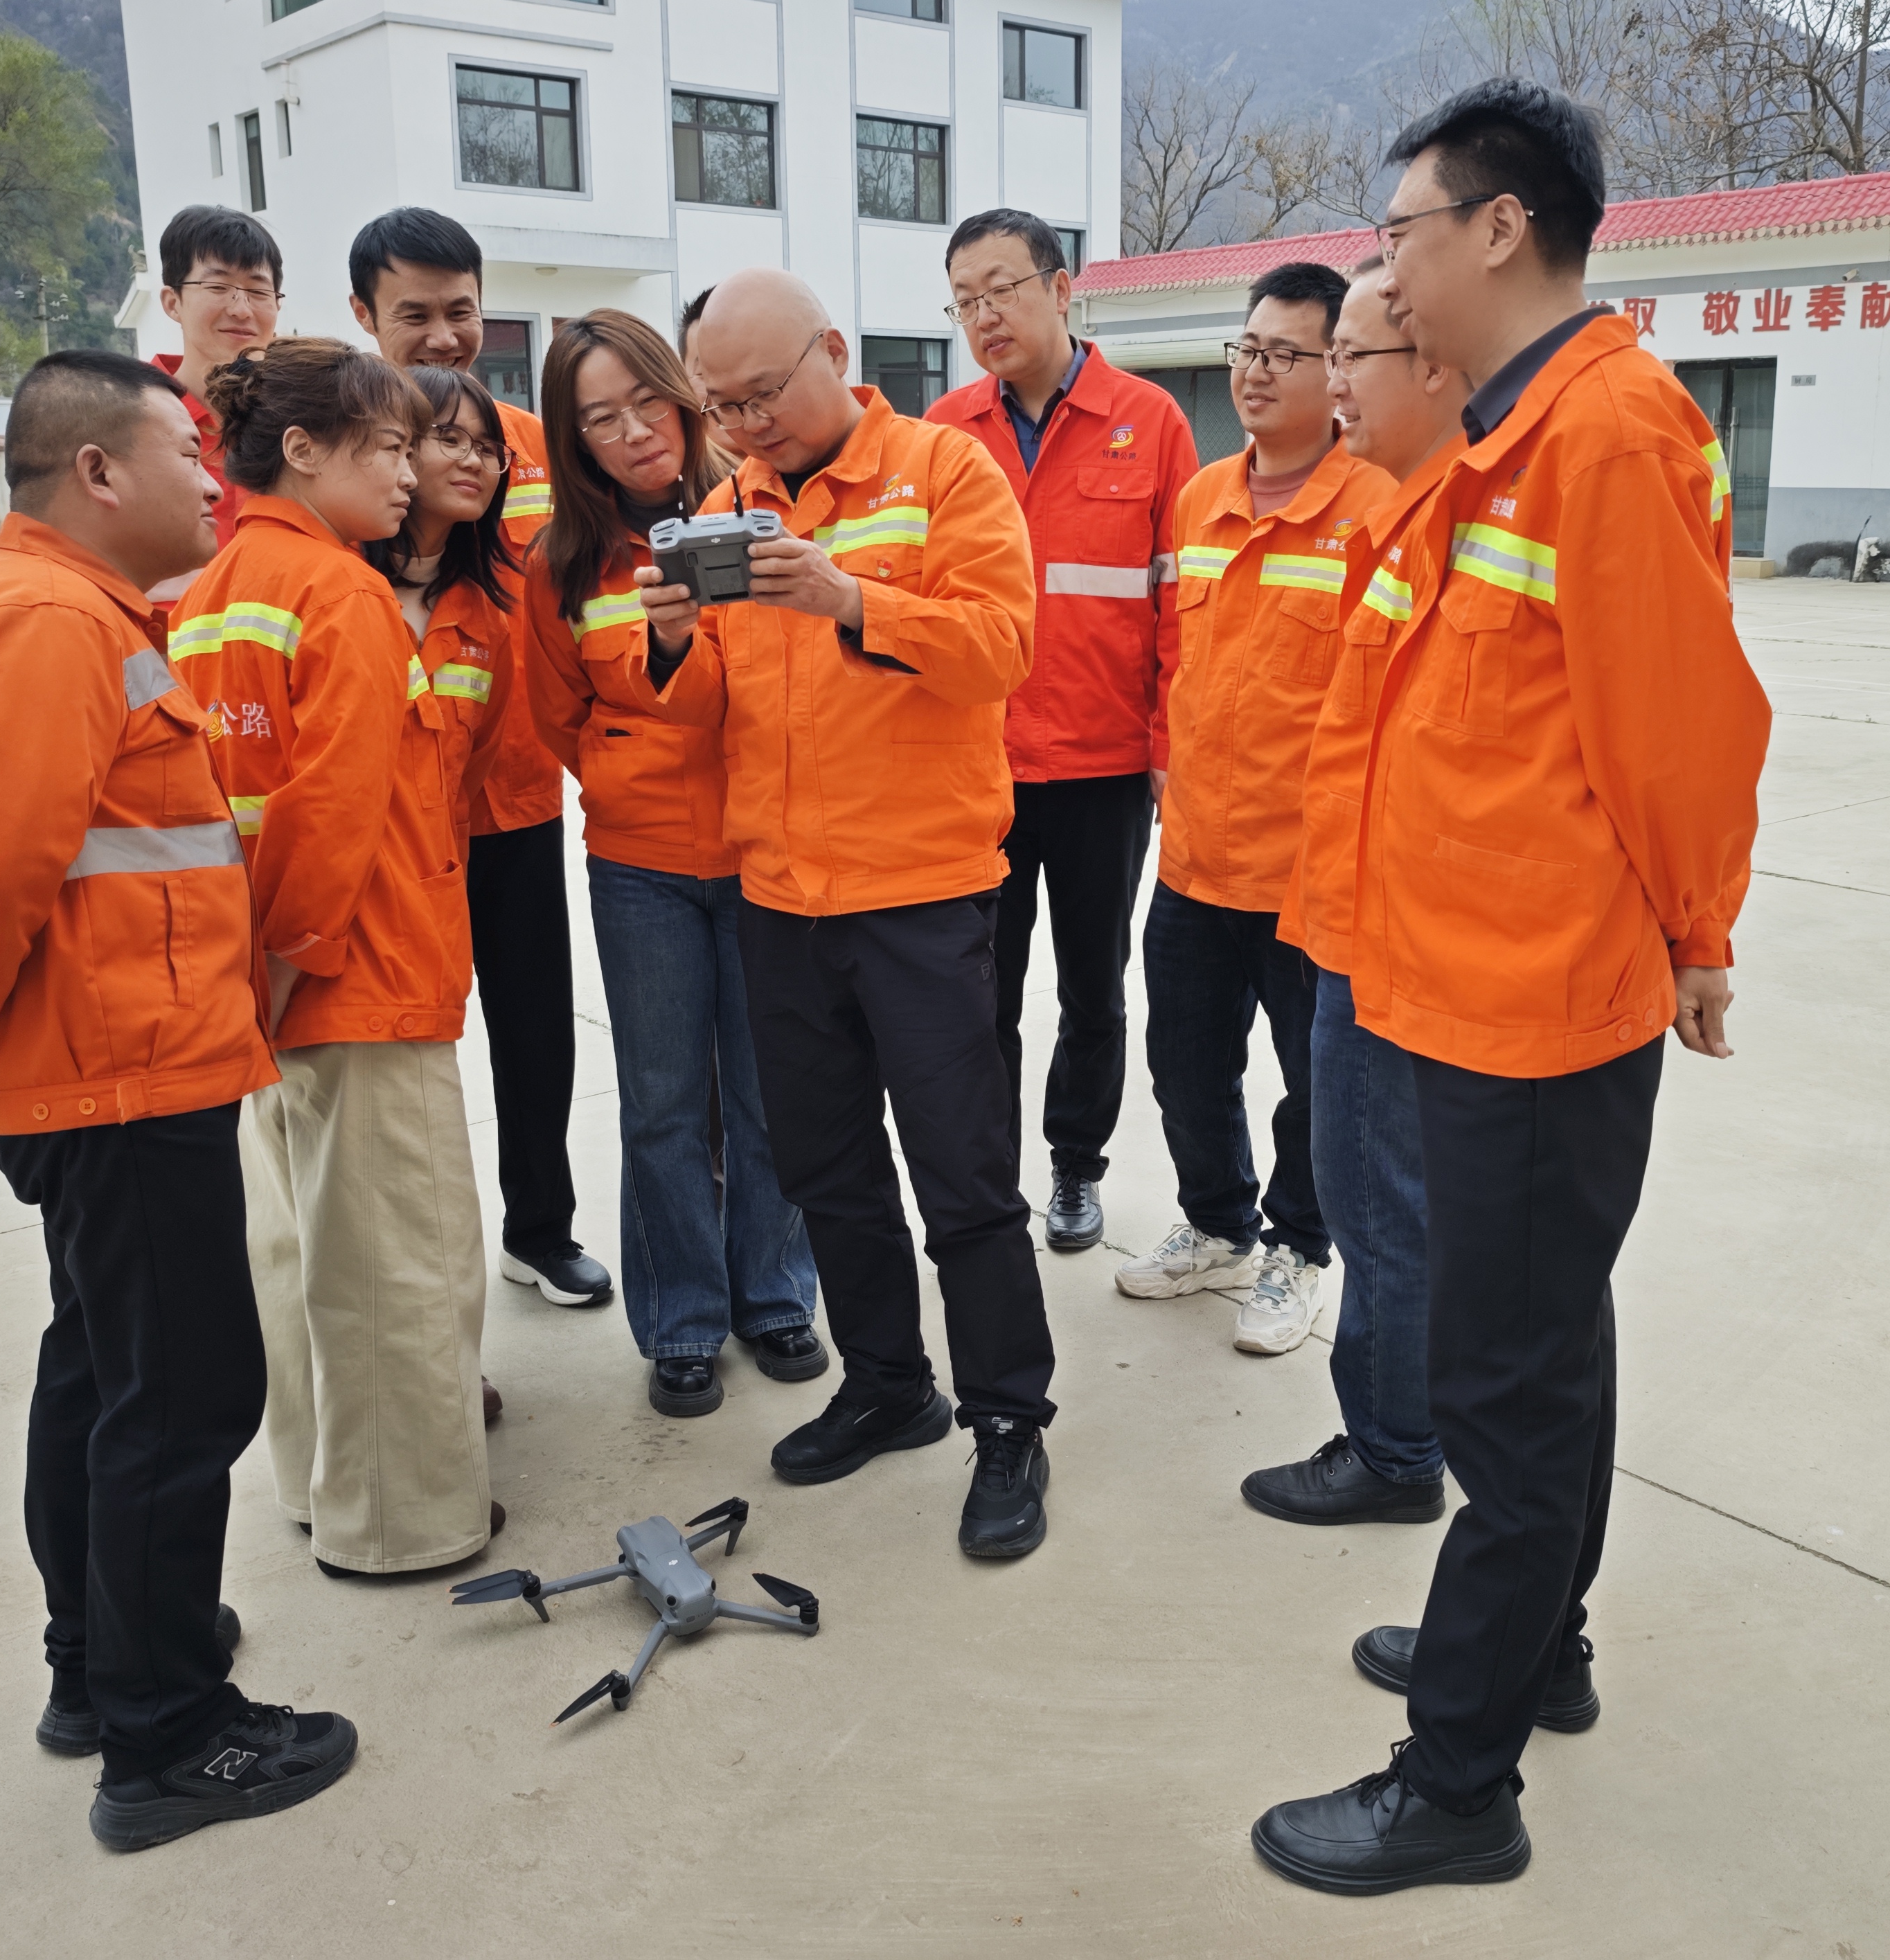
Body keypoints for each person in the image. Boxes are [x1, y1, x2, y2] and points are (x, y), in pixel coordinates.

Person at [1249, 82, 1772, 1895]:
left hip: (1536, 1006)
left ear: (1497, 227)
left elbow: (1682, 730)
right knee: (1545, 1350)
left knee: (1504, 1386)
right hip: (1457, 986)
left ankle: (1458, 1781)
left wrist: (1698, 931)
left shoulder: (1605, 436)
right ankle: (1537, 1648)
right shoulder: (1495, 440)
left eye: (1399, 233)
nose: (1383, 273)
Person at [0, 350, 356, 1853]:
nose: (213, 480)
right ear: (95, 471)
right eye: (184, 452)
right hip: (116, 1072)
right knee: (181, 1394)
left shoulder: (64, 609)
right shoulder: (50, 624)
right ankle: (167, 1739)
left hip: (108, 1060)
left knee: (100, 1371)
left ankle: (98, 1665)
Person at [596, 268, 1057, 1559]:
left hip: (921, 894)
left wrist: (850, 599)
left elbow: (1002, 648)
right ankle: (889, 1383)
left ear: (834, 353)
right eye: (723, 404)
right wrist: (671, 641)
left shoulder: (945, 472)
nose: (745, 424)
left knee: (964, 1178)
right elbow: (705, 706)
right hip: (780, 896)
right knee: (826, 1170)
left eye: (762, 394)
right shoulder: (725, 507)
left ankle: (1009, 1421)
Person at [168, 336, 508, 1580]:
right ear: (305, 452)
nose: (410, 474)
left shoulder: (210, 593)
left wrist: (255, 976)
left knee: (303, 1251)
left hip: (258, 980)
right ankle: (402, 1522)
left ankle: (322, 1482)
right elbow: (332, 813)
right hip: (358, 974)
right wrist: (295, 959)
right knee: (402, 1260)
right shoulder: (344, 596)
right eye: (387, 449)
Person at [523, 307, 821, 1418]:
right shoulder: (562, 564)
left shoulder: (760, 512)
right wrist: (626, 768)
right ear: (574, 441)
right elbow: (559, 716)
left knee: (769, 1093)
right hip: (641, 865)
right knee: (660, 1103)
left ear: (685, 396)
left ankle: (775, 1295)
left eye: (648, 401)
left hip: (762, 850)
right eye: (600, 420)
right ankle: (683, 1320)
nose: (634, 432)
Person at [1114, 262, 1392, 1357]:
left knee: (1312, 1084)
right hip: (1195, 854)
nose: (1256, 373)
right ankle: (1218, 1223)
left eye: (1286, 354)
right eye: (1248, 349)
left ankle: (1300, 1247)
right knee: (1185, 1063)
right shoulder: (1202, 499)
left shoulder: (1375, 505)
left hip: (1310, 868)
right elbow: (1179, 657)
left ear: (1338, 370)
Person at [1238, 260, 1470, 1528]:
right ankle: (1392, 1434)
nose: (1329, 386)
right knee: (1365, 1184)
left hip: (1398, 929)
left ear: (1431, 366)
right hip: (1342, 908)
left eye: (1346, 360)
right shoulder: (1411, 512)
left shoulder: (1451, 508)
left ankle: (1395, 1449)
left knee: (1383, 1201)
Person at [349, 207, 612, 1313]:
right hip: (391, 818)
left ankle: (538, 1229)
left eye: (461, 310)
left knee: (535, 1027)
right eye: (414, 313)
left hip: (517, 795)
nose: (445, 335)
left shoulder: (532, 443)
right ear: (365, 317)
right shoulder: (347, 462)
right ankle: (414, 1280)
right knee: (401, 1055)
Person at [926, 210, 1196, 1256]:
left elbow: (1178, 606)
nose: (984, 316)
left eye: (1001, 289)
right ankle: (987, 1179)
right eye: (965, 301)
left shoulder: (1150, 420)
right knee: (976, 990)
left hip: (1101, 764)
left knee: (1093, 987)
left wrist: (1168, 749)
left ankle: (1076, 1165)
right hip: (976, 764)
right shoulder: (945, 430)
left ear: (1060, 287)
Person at [150, 204, 283, 549]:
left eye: (258, 291)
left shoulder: (306, 417)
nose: (241, 309)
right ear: (173, 302)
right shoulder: (131, 420)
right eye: (218, 287)